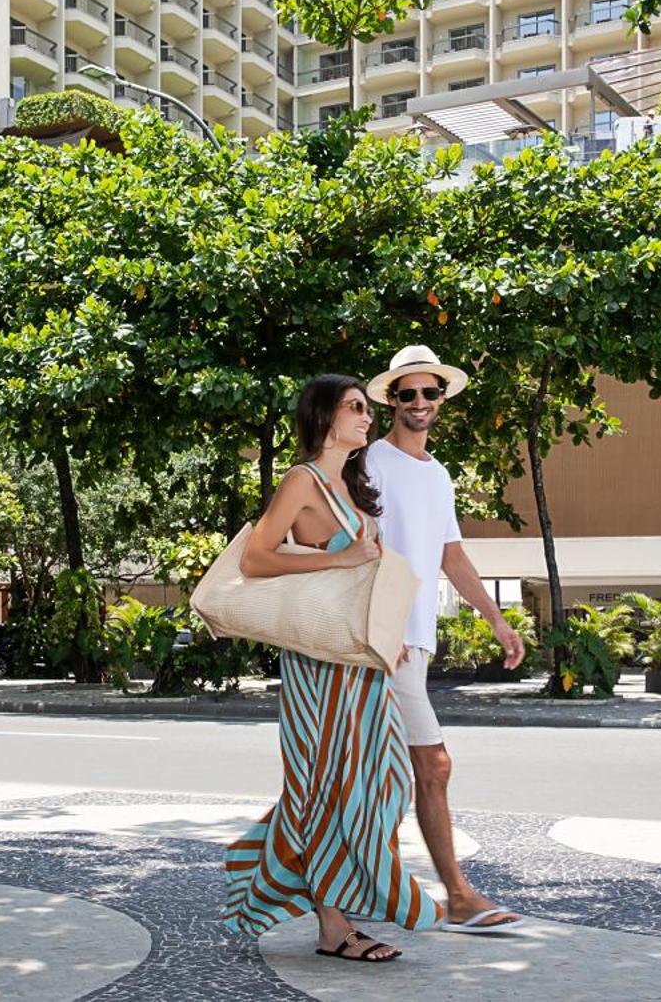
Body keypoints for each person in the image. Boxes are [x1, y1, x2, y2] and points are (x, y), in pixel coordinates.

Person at [223, 373, 445, 963]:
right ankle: (334, 925)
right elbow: (255, 557)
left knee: (385, 782)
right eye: (354, 408)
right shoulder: (303, 481)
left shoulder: (352, 486)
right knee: (328, 790)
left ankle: (281, 875)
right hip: (318, 669)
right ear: (324, 418)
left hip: (360, 663)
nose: (366, 416)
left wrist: (386, 634)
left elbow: (362, 583)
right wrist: (339, 556)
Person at [363, 345, 529, 934]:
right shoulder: (369, 463)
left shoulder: (438, 475)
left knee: (376, 771)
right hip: (381, 641)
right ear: (390, 400)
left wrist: (497, 619)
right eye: (407, 394)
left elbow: (450, 555)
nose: (419, 403)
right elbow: (356, 548)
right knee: (430, 765)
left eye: (429, 393)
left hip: (416, 638)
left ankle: (346, 887)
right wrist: (379, 623)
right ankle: (456, 896)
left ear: (442, 400)